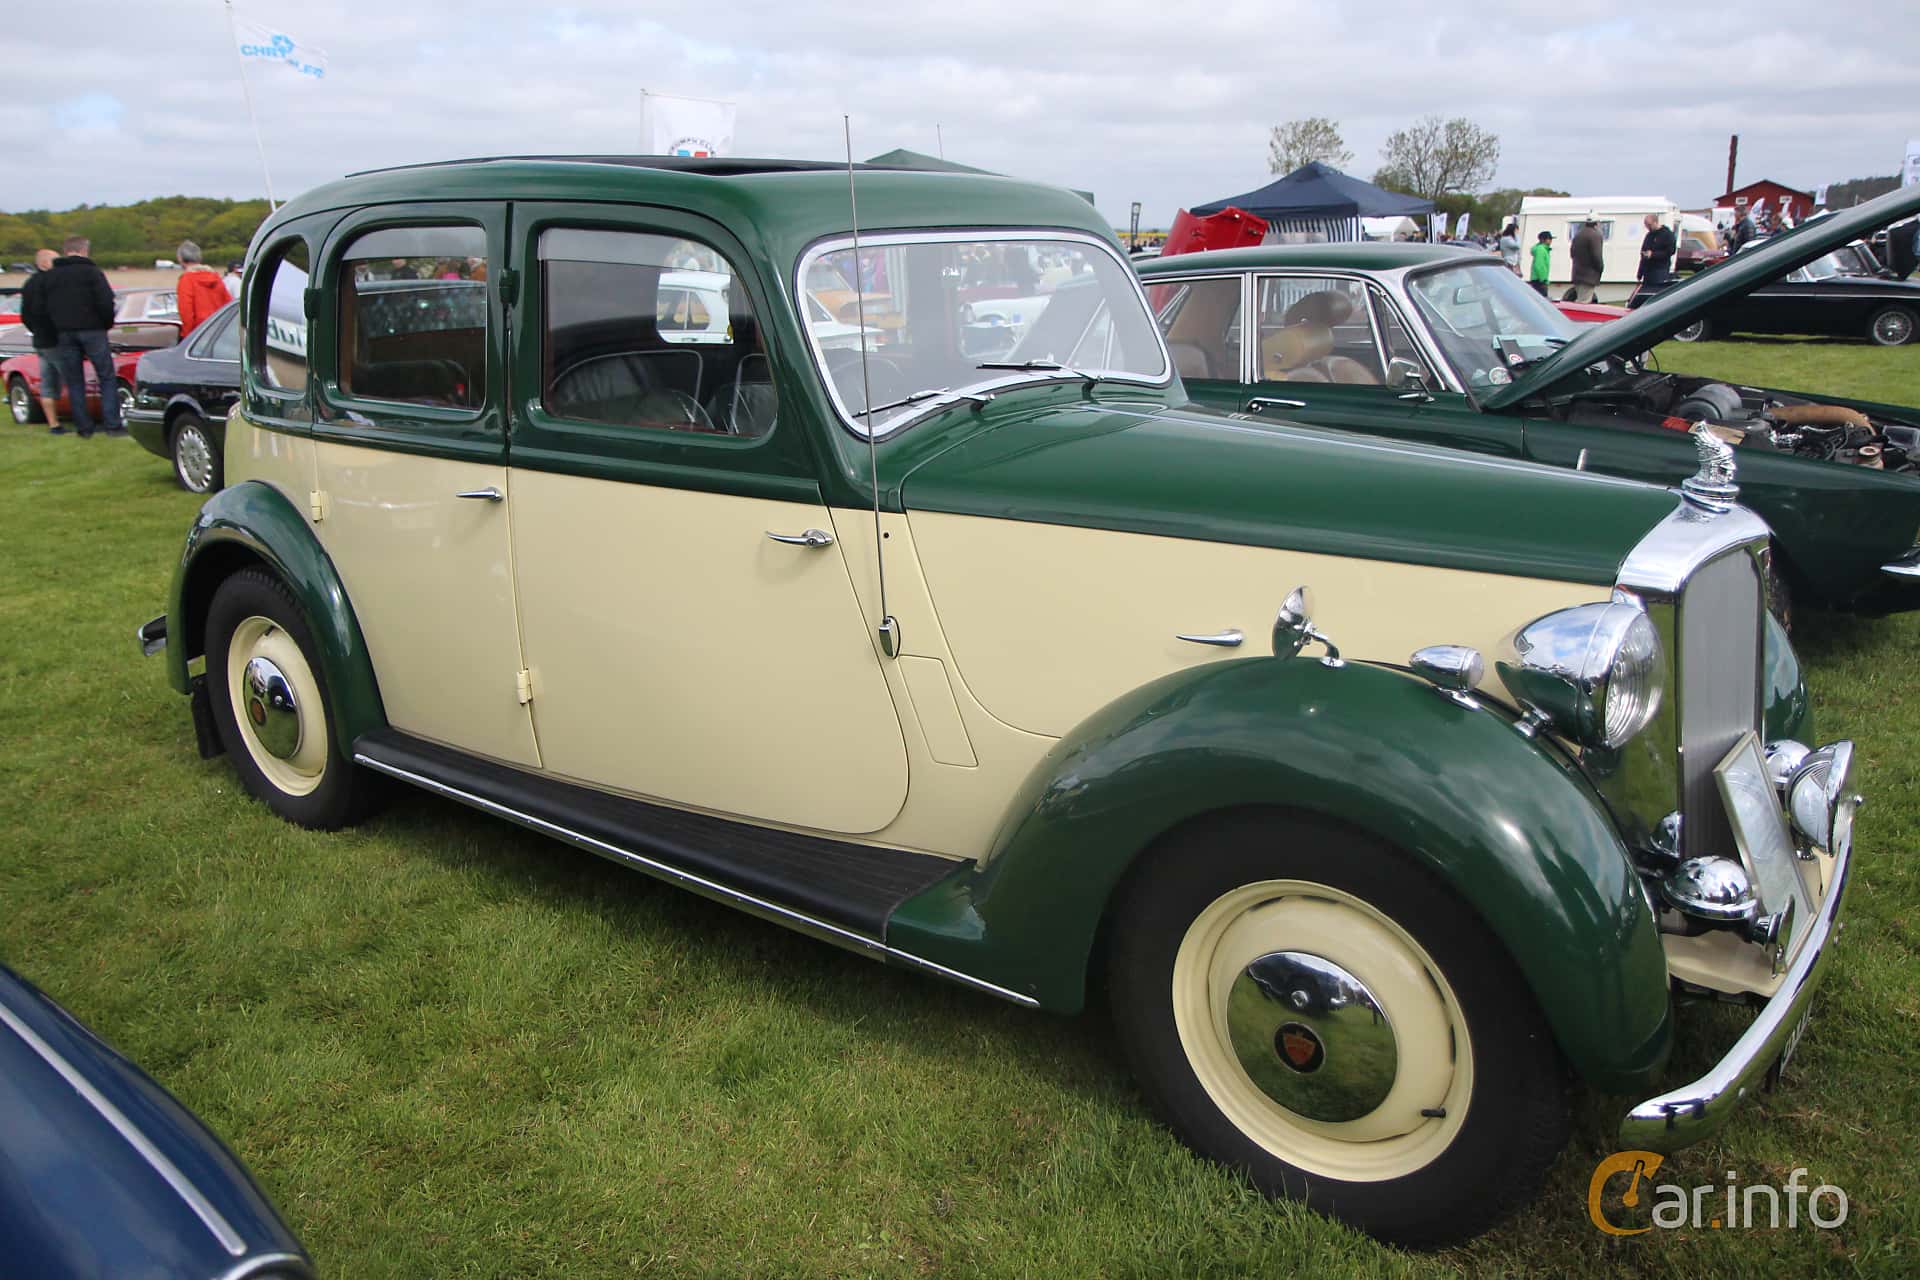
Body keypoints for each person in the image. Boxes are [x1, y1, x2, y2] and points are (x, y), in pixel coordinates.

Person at [41, 236, 121, 437]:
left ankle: (84, 427)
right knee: (106, 377)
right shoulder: (92, 273)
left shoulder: (51, 276)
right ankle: (112, 424)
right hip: (93, 330)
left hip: (64, 332)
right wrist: (105, 324)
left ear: (65, 251)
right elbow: (105, 302)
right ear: (85, 250)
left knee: (75, 380)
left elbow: (44, 307)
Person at [18, 248, 66, 430]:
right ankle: (82, 419)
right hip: (56, 338)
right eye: (55, 261)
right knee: (73, 378)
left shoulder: (29, 284)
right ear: (45, 263)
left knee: (47, 382)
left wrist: (36, 330)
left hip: (40, 339)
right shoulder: (52, 283)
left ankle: (53, 423)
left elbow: (25, 315)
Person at [174, 240, 231, 339]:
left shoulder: (186, 279)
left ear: (180, 259)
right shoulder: (216, 277)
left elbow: (186, 312)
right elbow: (228, 304)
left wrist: (188, 337)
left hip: (198, 333)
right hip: (218, 332)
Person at [1569, 213, 1605, 302]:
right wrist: (1601, 268)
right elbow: (1597, 256)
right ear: (1596, 223)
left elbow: (1572, 253)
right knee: (1584, 302)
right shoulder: (1595, 236)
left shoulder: (1578, 234)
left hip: (1577, 273)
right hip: (1589, 276)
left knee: (1580, 299)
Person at [1636, 213, 1676, 289]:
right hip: (1647, 272)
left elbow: (1670, 251)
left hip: (1660, 271)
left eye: (1649, 225)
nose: (1648, 227)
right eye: (1646, 225)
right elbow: (1643, 254)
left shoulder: (1667, 234)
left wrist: (1653, 255)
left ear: (1655, 222)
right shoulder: (1649, 236)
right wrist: (1640, 273)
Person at [1528, 230, 1553, 296]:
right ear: (1542, 240)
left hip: (1538, 279)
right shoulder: (1541, 249)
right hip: (1539, 280)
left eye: (1551, 238)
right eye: (1549, 239)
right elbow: (1539, 265)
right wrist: (1543, 279)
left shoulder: (1543, 249)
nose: (1551, 240)